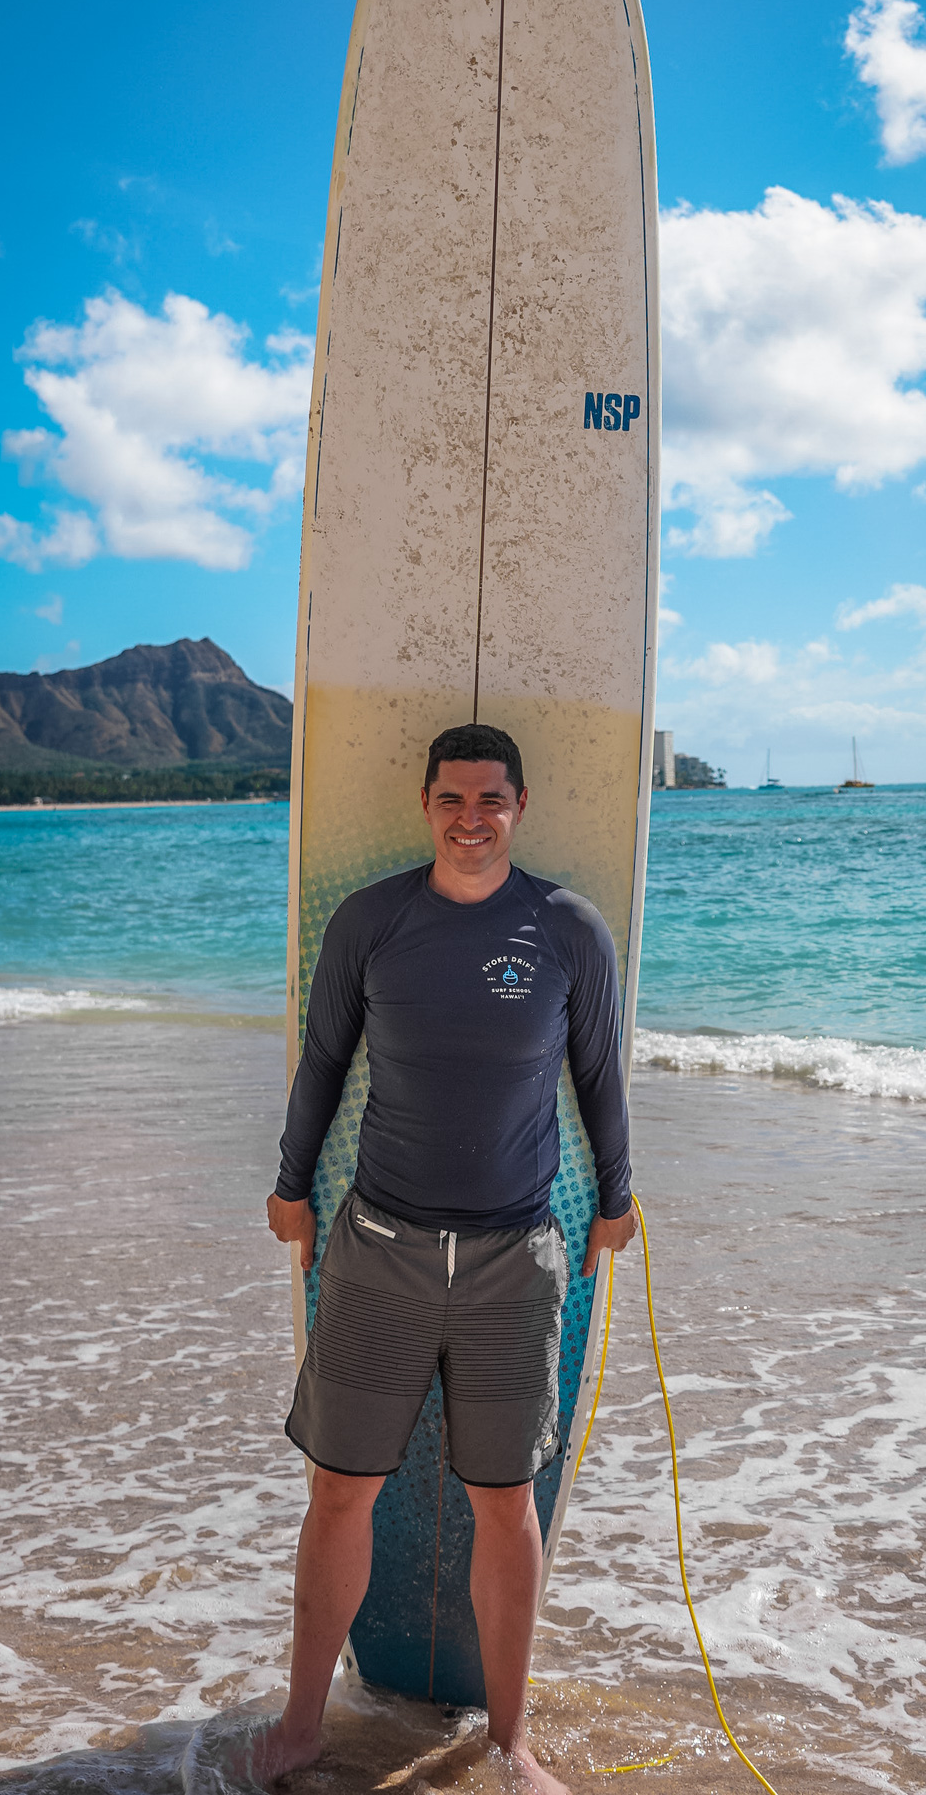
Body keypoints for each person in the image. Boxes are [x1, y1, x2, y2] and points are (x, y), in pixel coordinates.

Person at [262, 723, 637, 1794]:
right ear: (425, 803)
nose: (471, 818)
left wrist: (615, 1197)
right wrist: (291, 1184)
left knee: (506, 1501)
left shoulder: (566, 926)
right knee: (341, 1491)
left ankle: (512, 1739)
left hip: (516, 1262)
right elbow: (323, 1058)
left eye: (491, 799)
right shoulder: (372, 919)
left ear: (521, 805)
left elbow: (600, 1071)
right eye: (452, 798)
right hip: (377, 1250)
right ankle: (301, 1723)